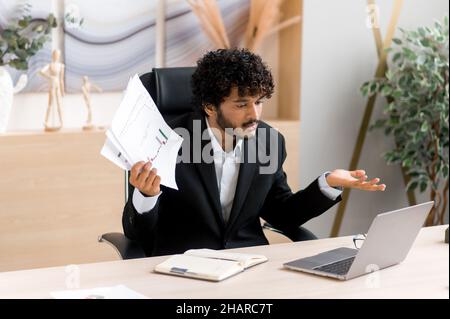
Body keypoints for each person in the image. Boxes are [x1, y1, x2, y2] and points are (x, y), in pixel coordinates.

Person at [122, 48, 386, 257]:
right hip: (184, 267)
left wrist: (326, 184)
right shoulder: (167, 142)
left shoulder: (269, 141)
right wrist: (146, 196)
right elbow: (137, 233)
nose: (255, 115)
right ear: (210, 107)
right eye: (242, 104)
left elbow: (281, 214)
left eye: (259, 102)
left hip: (249, 263)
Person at [39, 49, 65, 132]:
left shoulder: (61, 66)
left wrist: (62, 90)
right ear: (53, 55)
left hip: (57, 84)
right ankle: (46, 121)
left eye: (57, 54)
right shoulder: (50, 65)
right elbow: (41, 72)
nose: (56, 56)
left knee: (59, 104)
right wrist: (49, 77)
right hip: (52, 84)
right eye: (55, 54)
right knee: (50, 104)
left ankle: (61, 122)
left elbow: (61, 79)